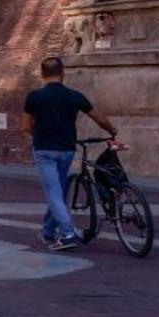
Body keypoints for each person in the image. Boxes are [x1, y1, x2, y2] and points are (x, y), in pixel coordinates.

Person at [23, 56, 118, 251]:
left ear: (42, 74)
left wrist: (39, 134)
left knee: (53, 192)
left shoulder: (34, 97)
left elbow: (25, 126)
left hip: (44, 150)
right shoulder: (75, 96)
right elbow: (99, 118)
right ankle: (48, 232)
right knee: (58, 191)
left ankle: (66, 233)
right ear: (63, 73)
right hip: (66, 150)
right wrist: (112, 131)